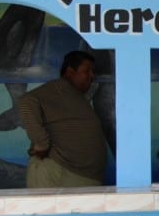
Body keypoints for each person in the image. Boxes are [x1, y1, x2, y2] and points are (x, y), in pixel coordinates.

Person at [18, 50, 108, 188]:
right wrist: (41, 144)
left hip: (76, 177)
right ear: (70, 71)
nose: (92, 76)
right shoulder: (58, 88)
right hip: (57, 174)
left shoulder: (74, 95)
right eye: (87, 71)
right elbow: (26, 101)